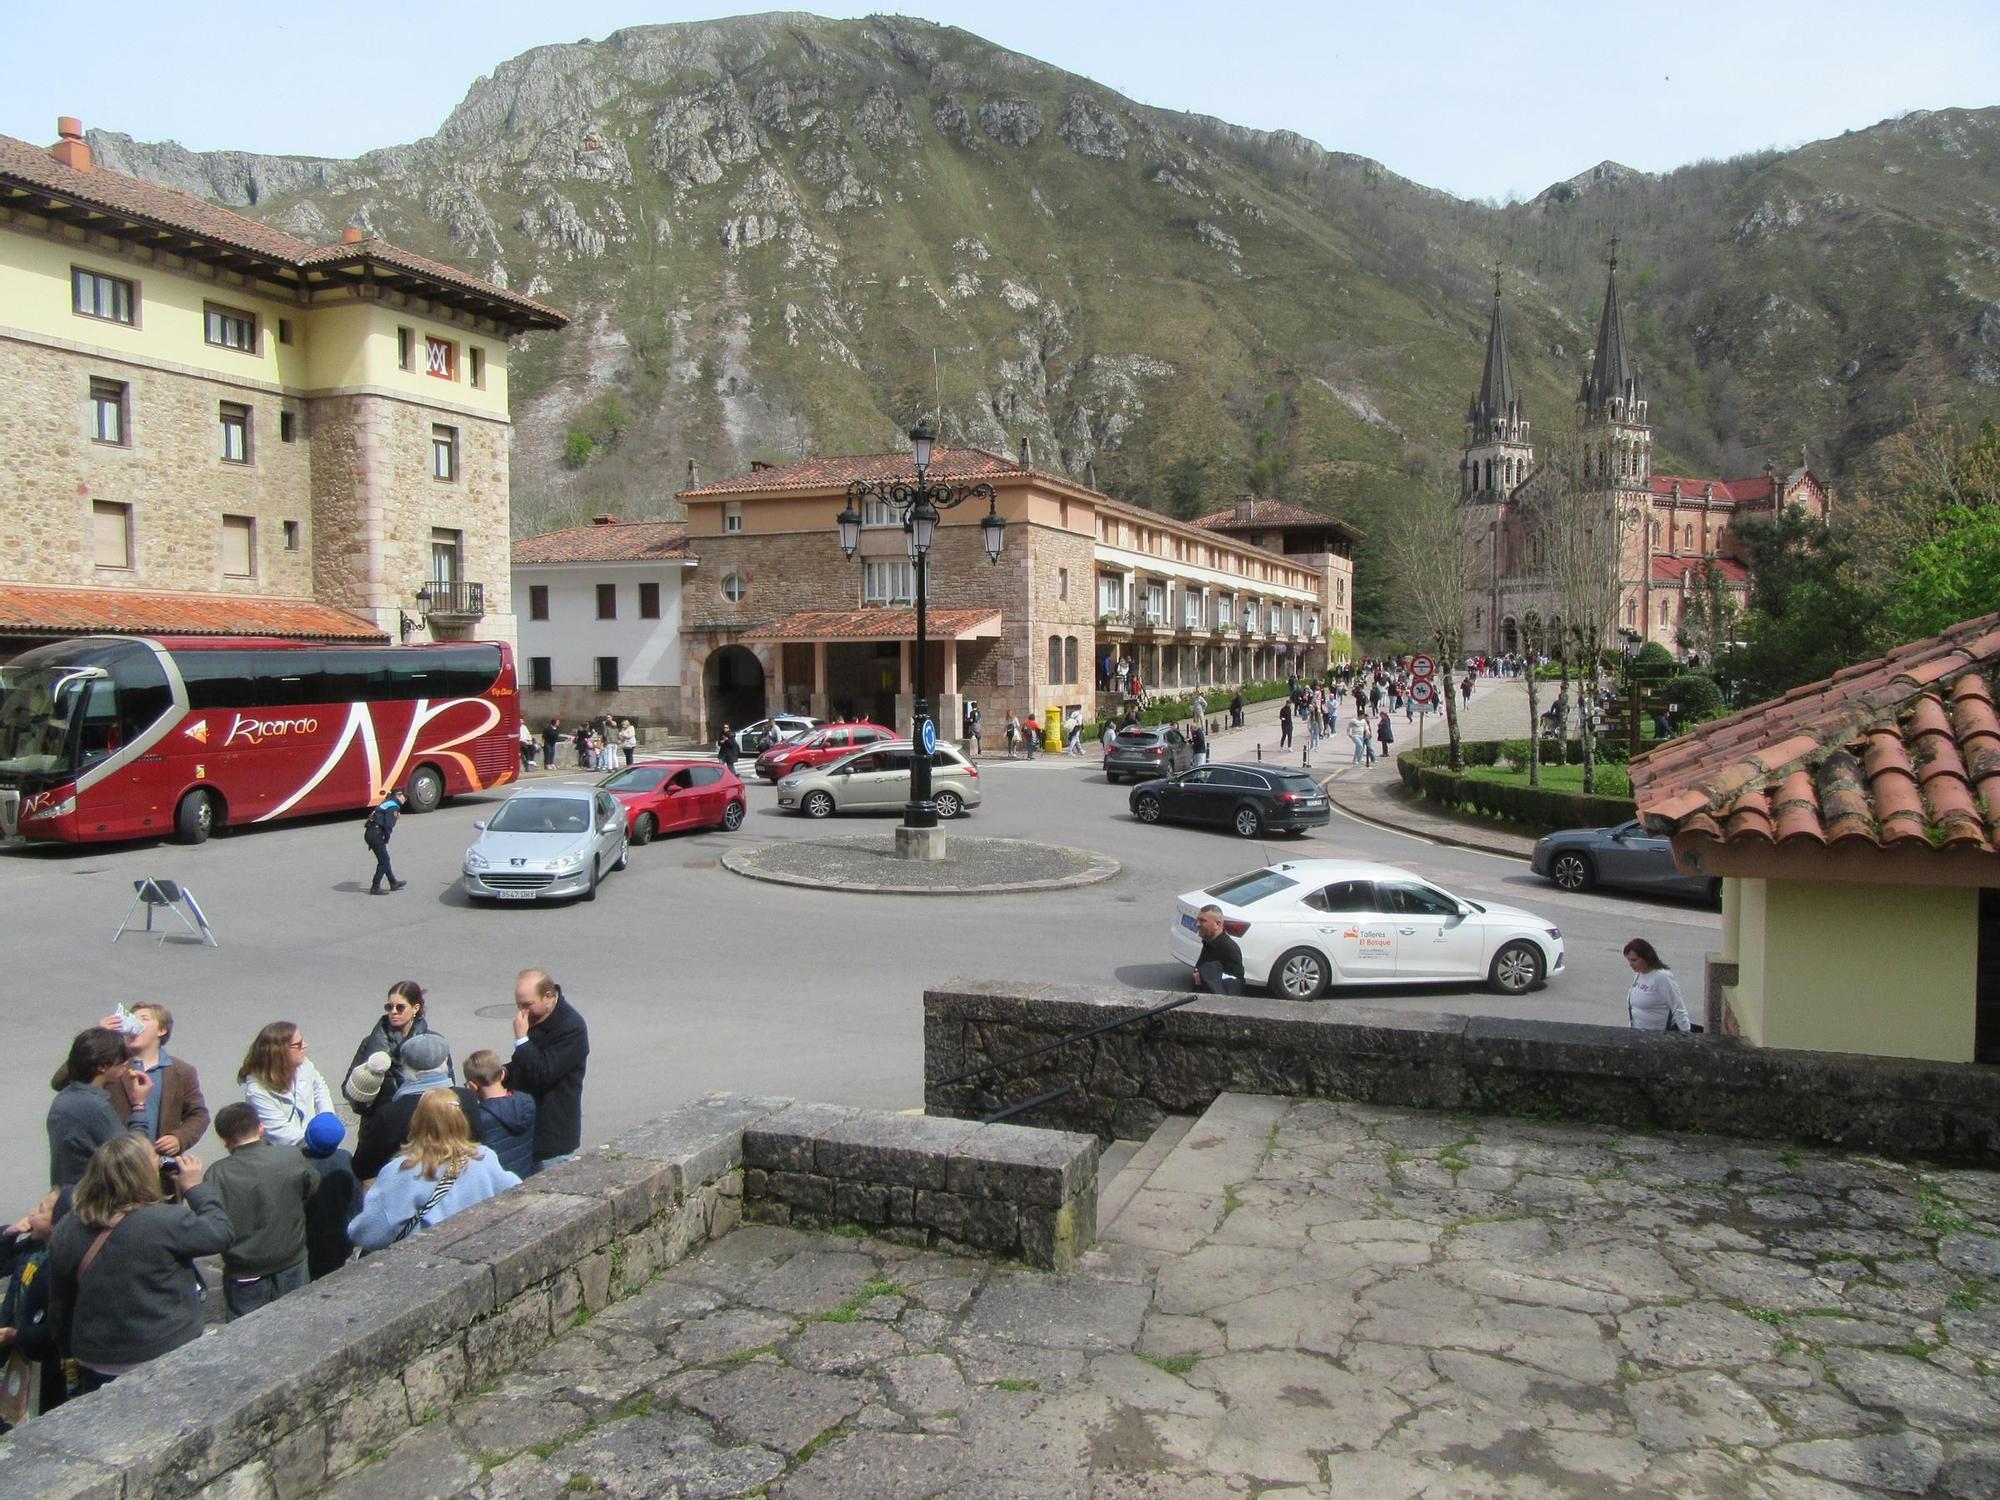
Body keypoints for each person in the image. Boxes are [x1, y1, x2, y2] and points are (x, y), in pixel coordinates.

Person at [45, 1134, 231, 1393]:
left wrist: (66, 1349)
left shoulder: (68, 1227)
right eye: (155, 1160)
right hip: (162, 1349)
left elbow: (60, 1300)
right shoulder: (165, 1221)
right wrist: (195, 1188)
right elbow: (220, 1233)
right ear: (142, 1173)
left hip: (97, 1358)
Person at [346, 1091, 520, 1252]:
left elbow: (370, 1234)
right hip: (479, 1251)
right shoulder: (484, 1157)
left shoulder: (401, 1171)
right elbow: (517, 1194)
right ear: (461, 1121)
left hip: (425, 1262)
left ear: (416, 1122)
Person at [203, 1103, 316, 1320]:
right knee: (298, 1322)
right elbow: (312, 1187)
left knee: (246, 1334)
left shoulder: (216, 1174)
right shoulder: (291, 1156)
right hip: (291, 1259)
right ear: (261, 1128)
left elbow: (212, 1221)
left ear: (224, 1140)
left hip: (245, 1269)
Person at [352, 1032, 480, 1184]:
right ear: (445, 1060)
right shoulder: (467, 1098)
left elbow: (362, 1167)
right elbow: (478, 1140)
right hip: (461, 1179)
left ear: (405, 1064)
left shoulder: (391, 1113)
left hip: (410, 1185)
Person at [506, 970, 590, 1173]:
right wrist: (502, 1074)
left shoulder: (571, 1028)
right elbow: (525, 1064)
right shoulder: (538, 1018)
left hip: (552, 1141)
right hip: (527, 1135)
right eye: (519, 1005)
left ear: (548, 996)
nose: (522, 1012)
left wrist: (521, 1040)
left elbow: (542, 1073)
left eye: (527, 1005)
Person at [106, 1003, 209, 1164]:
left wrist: (179, 1138)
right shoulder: (111, 1065)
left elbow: (199, 1115)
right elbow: (62, 1081)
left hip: (159, 1165)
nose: (134, 1024)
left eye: (144, 1019)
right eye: (132, 1019)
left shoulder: (181, 1071)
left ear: (162, 1030)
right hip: (118, 1163)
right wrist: (98, 1038)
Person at [47, 1029, 149, 1190]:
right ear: (102, 1066)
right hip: (92, 1198)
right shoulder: (95, 1106)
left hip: (66, 1191)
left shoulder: (64, 1097)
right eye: (122, 1059)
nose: (126, 1063)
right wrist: (139, 1105)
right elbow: (132, 1154)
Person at [0, 1188, 63, 1420]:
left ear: (56, 1225)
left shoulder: (57, 1262)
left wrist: (17, 1336)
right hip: (15, 1339)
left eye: (41, 1210)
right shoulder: (30, 1248)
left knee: (31, 1407)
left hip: (38, 1354)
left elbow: (54, 1324)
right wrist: (9, 1235)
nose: (31, 1212)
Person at [343, 981, 448, 1119]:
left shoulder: (433, 1043)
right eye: (389, 1007)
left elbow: (447, 1085)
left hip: (422, 1122)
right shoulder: (370, 1042)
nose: (393, 1012)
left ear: (415, 1008)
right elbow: (348, 1089)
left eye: (400, 1007)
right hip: (380, 1123)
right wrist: (366, 1084)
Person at [238, 1022, 336, 1148]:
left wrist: (327, 1119)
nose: (305, 1046)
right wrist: (319, 1141)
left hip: (314, 1142)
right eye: (299, 1044)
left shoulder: (304, 1064)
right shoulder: (257, 1092)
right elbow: (283, 1136)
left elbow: (319, 1087)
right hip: (285, 1154)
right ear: (280, 1051)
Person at [298, 1112, 358, 1281]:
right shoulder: (345, 1158)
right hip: (341, 1236)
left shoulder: (299, 1163)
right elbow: (356, 1198)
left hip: (310, 1239)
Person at [463, 1050, 538, 1180]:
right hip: (524, 1176)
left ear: (472, 1086)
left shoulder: (478, 1119)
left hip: (497, 1183)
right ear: (502, 1075)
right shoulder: (527, 1102)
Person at [1625, 939, 1694, 1033]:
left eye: (1634, 960)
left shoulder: (1662, 977)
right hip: (1637, 1033)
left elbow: (1678, 1008)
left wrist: (1686, 1034)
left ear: (1646, 958)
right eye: (1629, 960)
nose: (1631, 964)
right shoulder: (1639, 975)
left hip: (1657, 1034)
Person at [1190, 906, 1244, 996]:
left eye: (1203, 921)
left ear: (1217, 924)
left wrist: (1202, 980)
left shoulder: (1229, 949)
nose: (1197, 924)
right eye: (1198, 920)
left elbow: (1236, 984)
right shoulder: (1208, 942)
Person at [363, 788, 408, 895]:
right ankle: (375, 887)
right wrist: (387, 838)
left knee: (384, 859)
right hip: (376, 834)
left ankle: (393, 882)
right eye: (404, 797)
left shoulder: (386, 802)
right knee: (384, 861)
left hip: (370, 832)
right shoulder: (393, 806)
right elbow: (388, 825)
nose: (405, 799)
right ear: (398, 795)